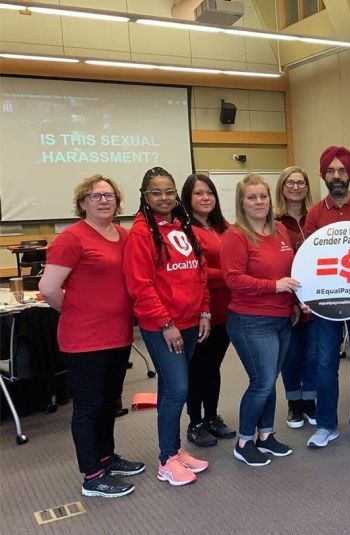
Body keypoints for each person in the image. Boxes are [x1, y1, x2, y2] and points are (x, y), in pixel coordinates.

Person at [39, 174, 143, 498]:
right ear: (82, 202)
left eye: (108, 195)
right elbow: (48, 289)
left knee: (109, 402)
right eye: (95, 195)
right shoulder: (72, 238)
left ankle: (106, 457)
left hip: (118, 335)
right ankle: (92, 475)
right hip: (84, 339)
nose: (103, 200)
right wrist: (75, 312)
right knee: (88, 406)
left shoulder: (123, 236)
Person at [123, 167, 211, 486]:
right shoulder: (140, 233)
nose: (164, 198)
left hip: (189, 322)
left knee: (173, 388)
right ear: (145, 196)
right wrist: (165, 323)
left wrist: (204, 312)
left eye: (169, 191)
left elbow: (198, 271)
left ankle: (174, 449)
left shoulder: (181, 225)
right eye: (156, 192)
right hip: (163, 327)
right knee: (177, 388)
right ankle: (166, 460)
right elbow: (140, 285)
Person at [221, 174, 299, 467]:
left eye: (263, 196)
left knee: (270, 381)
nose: (258, 202)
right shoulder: (235, 235)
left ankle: (266, 435)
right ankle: (244, 442)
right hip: (251, 320)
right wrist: (274, 286)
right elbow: (233, 279)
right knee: (261, 382)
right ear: (242, 202)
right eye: (251, 197)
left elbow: (290, 272)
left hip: (281, 317)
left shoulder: (279, 230)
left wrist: (290, 302)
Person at [303, 146, 350, 449]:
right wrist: (305, 296)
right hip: (325, 301)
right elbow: (305, 259)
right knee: (325, 362)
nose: (336, 176)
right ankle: (326, 425)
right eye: (330, 171)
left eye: (341, 170)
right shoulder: (315, 213)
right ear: (323, 175)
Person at [181, 174, 235, 448]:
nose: (205, 198)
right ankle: (195, 421)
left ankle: (212, 416)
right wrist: (232, 275)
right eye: (198, 194)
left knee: (213, 367)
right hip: (201, 311)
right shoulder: (184, 230)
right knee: (197, 368)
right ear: (187, 199)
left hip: (226, 310)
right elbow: (195, 270)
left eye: (209, 193)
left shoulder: (222, 226)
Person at [274, 166, 318, 429]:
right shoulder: (274, 222)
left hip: (315, 297)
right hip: (286, 298)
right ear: (282, 187)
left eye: (301, 182)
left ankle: (310, 401)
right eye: (290, 182)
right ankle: (294, 403)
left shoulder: (315, 219)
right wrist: (291, 301)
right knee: (290, 354)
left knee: (313, 352)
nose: (296, 187)